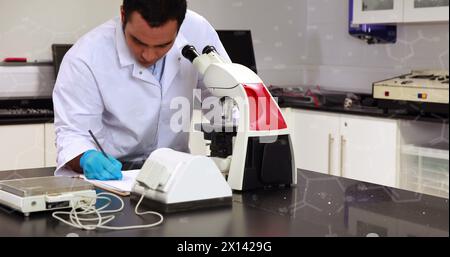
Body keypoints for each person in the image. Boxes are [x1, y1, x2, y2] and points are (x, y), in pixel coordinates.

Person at [53, 0, 229, 180]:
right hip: (115, 176)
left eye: (163, 45)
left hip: (176, 174)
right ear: (123, 16)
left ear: (180, 25)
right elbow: (73, 135)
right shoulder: (85, 57)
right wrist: (86, 157)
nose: (148, 55)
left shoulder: (197, 31)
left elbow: (223, 98)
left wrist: (238, 137)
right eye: (138, 41)